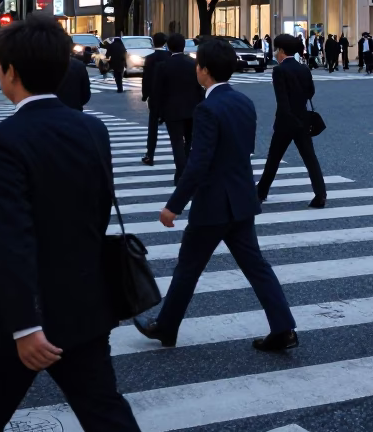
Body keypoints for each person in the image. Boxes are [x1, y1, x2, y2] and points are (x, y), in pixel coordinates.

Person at [0, 16, 145, 432]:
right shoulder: (92, 127)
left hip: (16, 317)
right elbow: (96, 211)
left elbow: (10, 238)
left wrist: (24, 325)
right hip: (86, 301)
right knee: (106, 413)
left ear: (10, 71)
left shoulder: (2, 139)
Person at [133, 39, 299, 353]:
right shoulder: (243, 102)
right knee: (256, 266)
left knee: (188, 267)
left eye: (198, 66)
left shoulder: (208, 109)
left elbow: (198, 163)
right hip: (241, 198)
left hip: (213, 204)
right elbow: (244, 150)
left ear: (204, 71)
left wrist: (173, 206)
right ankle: (284, 327)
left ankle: (166, 327)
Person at [257, 33, 327, 208]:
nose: (274, 52)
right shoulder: (304, 68)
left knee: (273, 159)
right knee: (310, 158)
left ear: (281, 50)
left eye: (276, 49)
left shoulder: (279, 70)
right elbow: (310, 92)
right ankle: (320, 194)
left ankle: (260, 193)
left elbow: (281, 100)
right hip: (303, 119)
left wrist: (286, 117)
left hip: (285, 122)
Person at [155, 33, 206, 184]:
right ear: (183, 46)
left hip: (172, 110)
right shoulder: (194, 64)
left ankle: (181, 173)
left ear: (168, 47)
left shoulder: (163, 66)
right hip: (192, 108)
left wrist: (159, 112)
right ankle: (187, 171)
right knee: (190, 140)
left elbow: (158, 91)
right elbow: (200, 87)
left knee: (176, 142)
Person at [140, 32, 170, 165]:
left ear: (153, 42)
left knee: (153, 127)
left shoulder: (150, 58)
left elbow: (146, 78)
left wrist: (145, 94)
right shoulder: (170, 57)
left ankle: (150, 154)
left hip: (154, 95)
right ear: (165, 43)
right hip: (169, 96)